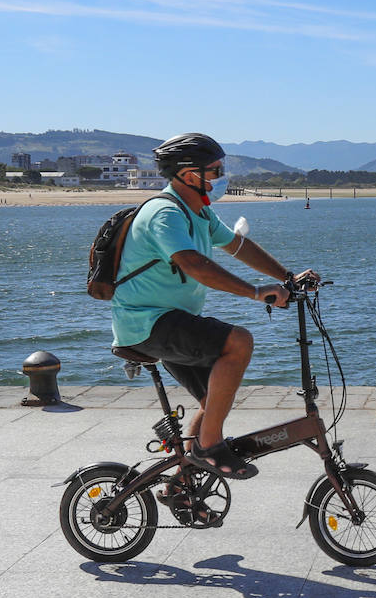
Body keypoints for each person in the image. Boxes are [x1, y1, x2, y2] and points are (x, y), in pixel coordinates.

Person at [111, 132, 315, 480]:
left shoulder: (199, 212)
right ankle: (207, 447)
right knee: (239, 342)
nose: (221, 176)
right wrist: (254, 292)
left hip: (172, 321)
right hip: (147, 323)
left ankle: (181, 484)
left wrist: (287, 277)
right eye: (215, 170)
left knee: (214, 399)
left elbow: (238, 246)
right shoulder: (165, 213)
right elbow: (193, 264)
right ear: (189, 175)